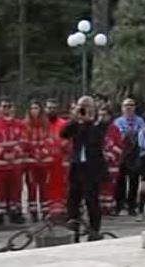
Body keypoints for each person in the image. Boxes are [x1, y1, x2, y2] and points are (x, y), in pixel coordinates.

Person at [60, 96, 108, 240]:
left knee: (91, 201)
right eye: (82, 106)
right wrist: (74, 119)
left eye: (87, 106)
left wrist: (89, 120)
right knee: (73, 200)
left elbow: (95, 139)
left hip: (92, 168)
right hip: (77, 167)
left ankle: (94, 233)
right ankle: (73, 231)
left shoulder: (100, 122)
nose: (84, 109)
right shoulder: (77, 124)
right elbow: (63, 134)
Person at [0, 98, 27, 227]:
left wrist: (15, 152)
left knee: (16, 189)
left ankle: (15, 212)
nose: (6, 109)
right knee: (0, 190)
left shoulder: (19, 124)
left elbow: (24, 140)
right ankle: (0, 213)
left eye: (9, 106)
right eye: (4, 106)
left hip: (15, 163)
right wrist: (2, 152)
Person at [23, 100, 54, 222]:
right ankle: (33, 210)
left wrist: (44, 153)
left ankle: (45, 209)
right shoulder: (25, 125)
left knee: (44, 186)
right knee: (31, 186)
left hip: (44, 161)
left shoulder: (46, 125)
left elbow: (49, 140)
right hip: (30, 161)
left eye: (36, 108)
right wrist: (31, 154)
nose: (34, 111)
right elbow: (24, 142)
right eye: (32, 108)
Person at [113, 98, 144, 216]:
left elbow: (142, 133)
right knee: (120, 181)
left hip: (135, 154)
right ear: (122, 108)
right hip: (122, 154)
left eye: (131, 105)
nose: (129, 108)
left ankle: (132, 206)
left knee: (134, 181)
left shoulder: (140, 121)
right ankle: (119, 205)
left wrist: (131, 134)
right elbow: (118, 136)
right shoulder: (118, 121)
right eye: (126, 105)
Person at [45, 98, 71, 221]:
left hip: (61, 161)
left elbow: (69, 139)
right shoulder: (43, 124)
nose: (51, 110)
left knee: (63, 186)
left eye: (54, 108)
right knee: (48, 186)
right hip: (47, 161)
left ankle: (62, 211)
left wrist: (63, 145)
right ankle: (48, 211)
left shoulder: (64, 124)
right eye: (49, 108)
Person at [99, 104, 123, 215]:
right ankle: (99, 207)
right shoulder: (96, 127)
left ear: (109, 116)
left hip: (111, 163)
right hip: (98, 162)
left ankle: (108, 207)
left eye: (104, 115)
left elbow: (118, 145)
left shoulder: (114, 129)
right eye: (100, 115)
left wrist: (109, 154)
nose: (101, 118)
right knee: (99, 185)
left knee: (110, 186)